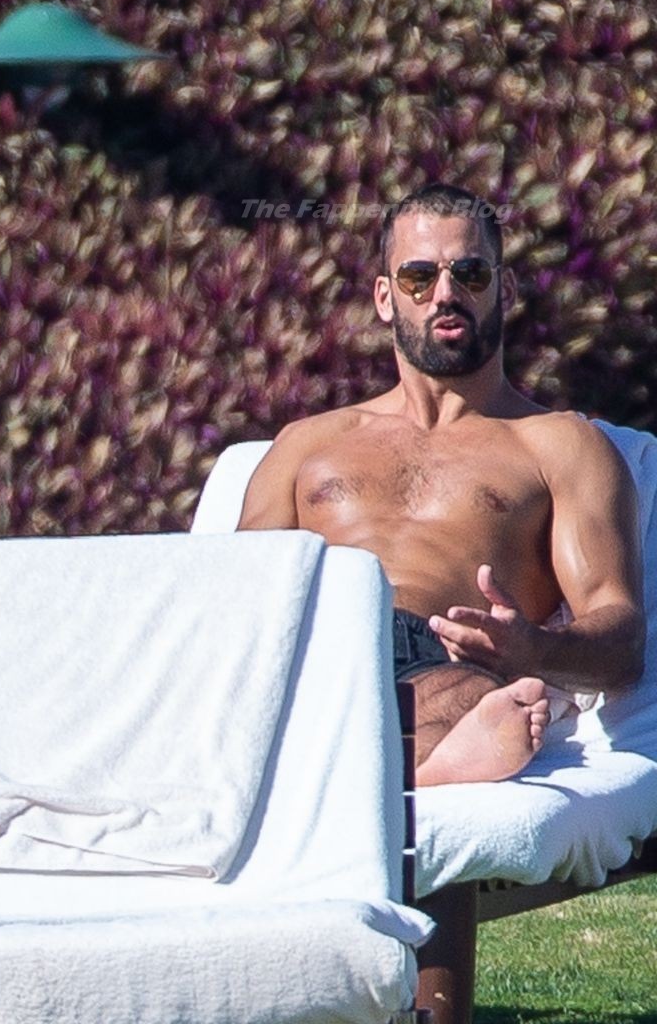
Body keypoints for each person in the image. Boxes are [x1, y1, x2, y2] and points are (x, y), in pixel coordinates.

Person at [237, 184, 644, 785]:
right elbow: (230, 595)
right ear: (385, 297)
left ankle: (375, 769)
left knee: (470, 702)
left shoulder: (561, 446)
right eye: (419, 277)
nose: (445, 294)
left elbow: (621, 640)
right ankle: (418, 770)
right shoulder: (306, 444)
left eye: (470, 274)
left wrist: (531, 650)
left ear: (505, 290)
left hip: (440, 663)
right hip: (308, 651)